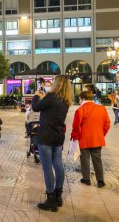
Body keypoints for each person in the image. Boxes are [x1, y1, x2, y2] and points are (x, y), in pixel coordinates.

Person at [32, 75, 73, 212]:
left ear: (57, 84)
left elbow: (36, 107)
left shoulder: (51, 97)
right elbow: (50, 111)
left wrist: (36, 95)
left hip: (46, 137)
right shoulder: (66, 100)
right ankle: (58, 195)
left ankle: (50, 200)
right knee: (58, 165)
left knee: (47, 169)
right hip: (58, 136)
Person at [71, 91, 110, 188]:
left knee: (84, 159)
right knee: (97, 159)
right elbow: (107, 124)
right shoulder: (102, 109)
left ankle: (86, 179)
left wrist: (75, 137)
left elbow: (76, 126)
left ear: (82, 99)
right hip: (97, 139)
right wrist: (101, 134)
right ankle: (100, 181)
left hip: (84, 139)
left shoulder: (80, 110)